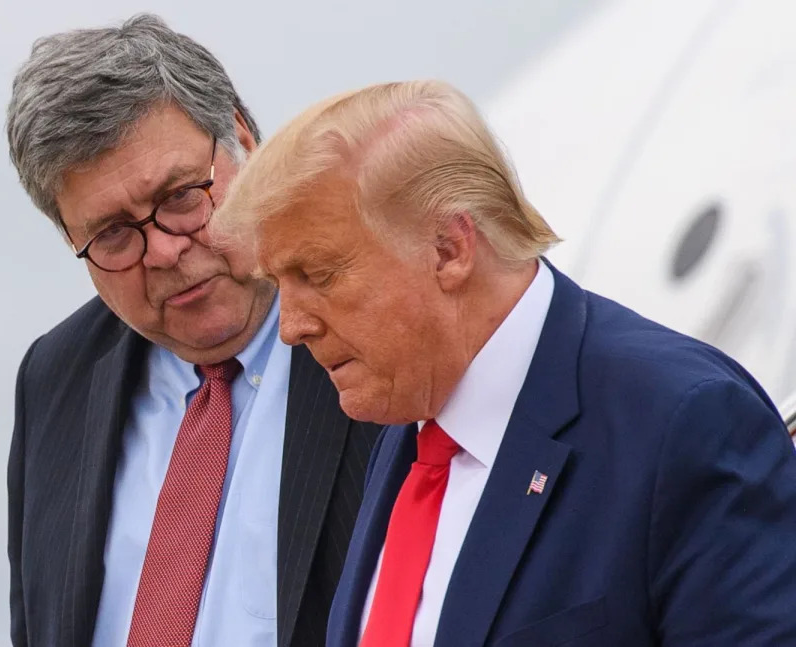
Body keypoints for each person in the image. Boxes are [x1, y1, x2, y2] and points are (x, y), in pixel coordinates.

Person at [209, 80, 796, 646]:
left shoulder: (683, 422)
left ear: (450, 248)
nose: (291, 328)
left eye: (318, 275)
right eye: (279, 283)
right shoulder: (407, 433)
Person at [4, 15, 380, 647]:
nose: (163, 253)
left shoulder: (380, 328)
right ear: (72, 239)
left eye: (181, 197)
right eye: (114, 234)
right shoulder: (55, 378)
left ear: (243, 141)